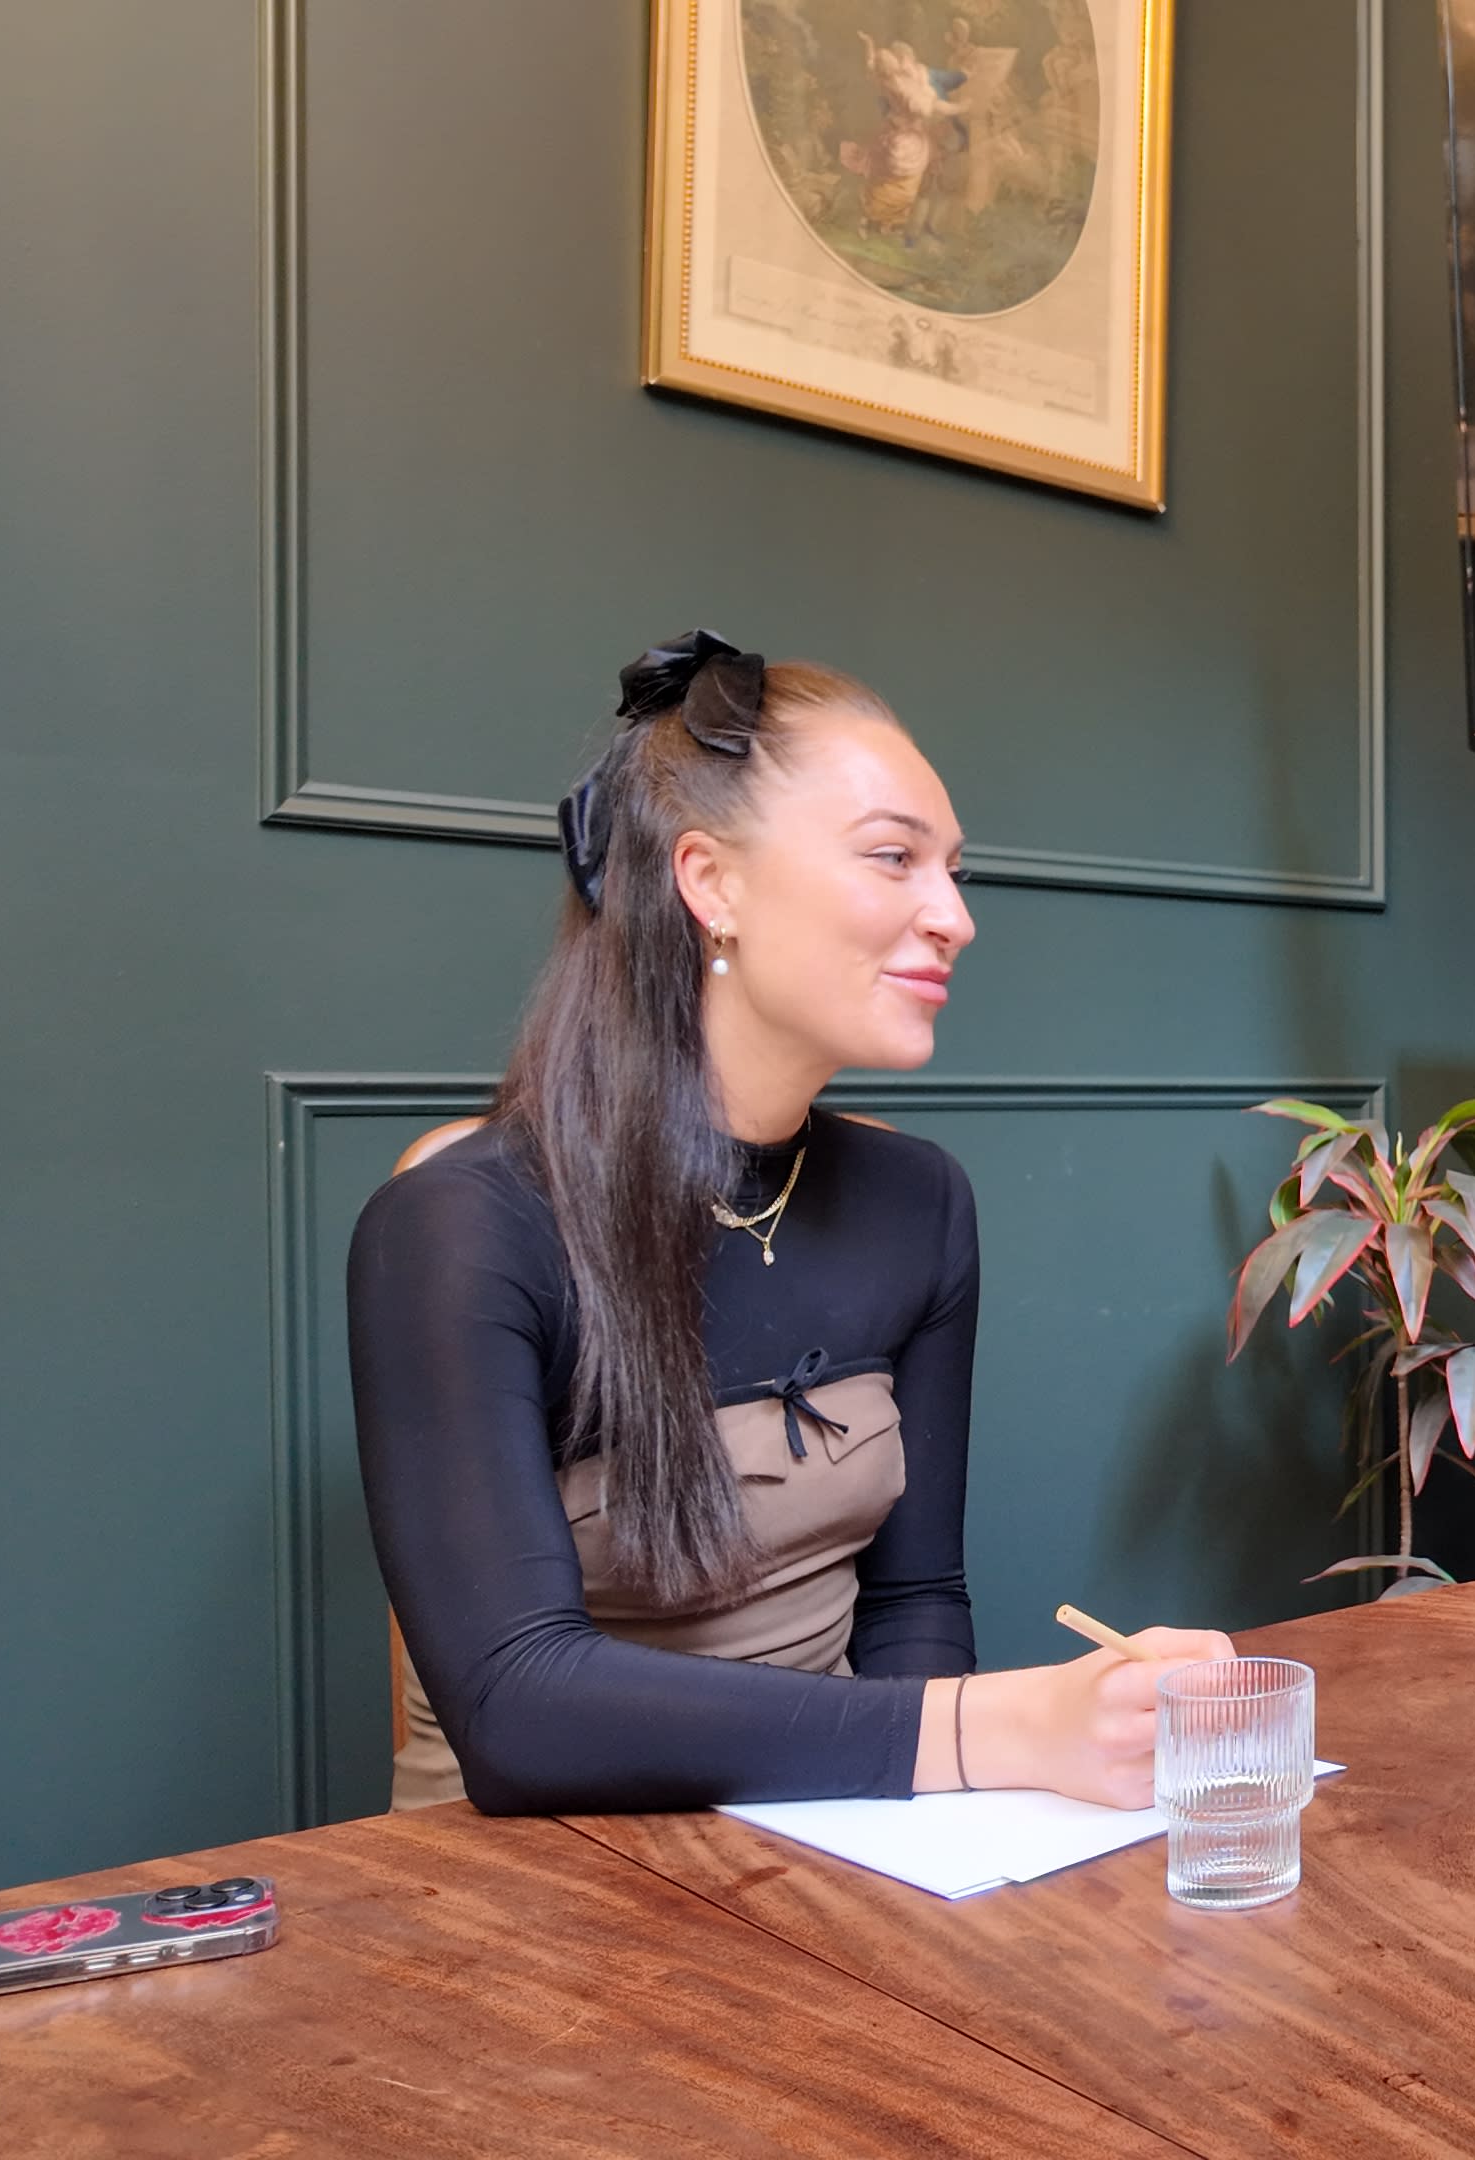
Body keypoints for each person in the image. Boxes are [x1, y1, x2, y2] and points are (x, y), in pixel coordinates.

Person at [352, 631, 1228, 1814]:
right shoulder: (460, 1225)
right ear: (711, 883)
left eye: (955, 870)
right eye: (893, 859)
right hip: (532, 1899)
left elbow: (916, 1605)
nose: (954, 916)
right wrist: (996, 1731)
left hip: (824, 1839)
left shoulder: (920, 1202)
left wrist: (924, 1847)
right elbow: (521, 1708)